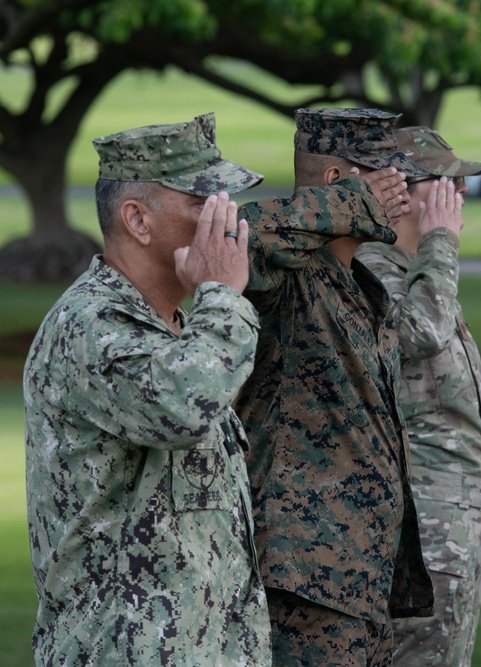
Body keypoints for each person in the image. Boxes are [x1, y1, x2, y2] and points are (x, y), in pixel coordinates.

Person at [23, 113, 271, 666]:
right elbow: (184, 408)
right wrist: (223, 294)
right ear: (137, 220)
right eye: (203, 200)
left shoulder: (173, 328)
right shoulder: (89, 327)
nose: (227, 217)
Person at [234, 107, 434, 667]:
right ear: (337, 186)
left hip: (362, 577)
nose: (406, 196)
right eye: (388, 179)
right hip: (306, 579)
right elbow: (240, 237)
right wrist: (351, 207)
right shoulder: (285, 280)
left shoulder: (362, 282)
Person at [355, 126, 481, 667]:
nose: (458, 197)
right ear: (399, 194)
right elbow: (421, 334)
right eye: (444, 185)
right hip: (423, 515)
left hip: (454, 506)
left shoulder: (416, 272)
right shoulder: (371, 273)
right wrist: (441, 243)